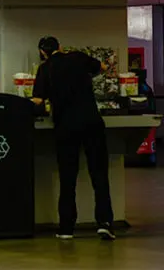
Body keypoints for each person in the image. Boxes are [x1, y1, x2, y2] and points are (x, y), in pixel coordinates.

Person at [31, 36, 115, 241]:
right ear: (60, 47)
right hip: (91, 122)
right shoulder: (78, 57)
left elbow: (37, 100)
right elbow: (103, 67)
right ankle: (104, 223)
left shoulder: (45, 69)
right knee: (100, 174)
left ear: (43, 52)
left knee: (68, 178)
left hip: (65, 127)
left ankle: (66, 227)